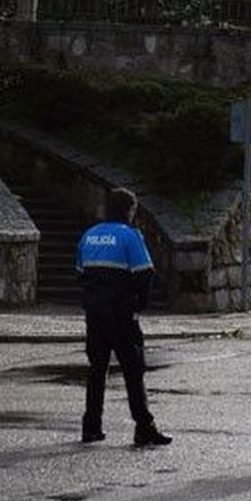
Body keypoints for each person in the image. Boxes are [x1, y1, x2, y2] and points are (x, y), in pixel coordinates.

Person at [76, 187, 172, 447]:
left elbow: (80, 273)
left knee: (97, 369)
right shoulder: (130, 236)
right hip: (121, 314)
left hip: (95, 314)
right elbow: (145, 272)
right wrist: (139, 304)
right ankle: (144, 427)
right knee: (133, 369)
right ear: (129, 211)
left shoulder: (89, 235)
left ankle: (91, 427)